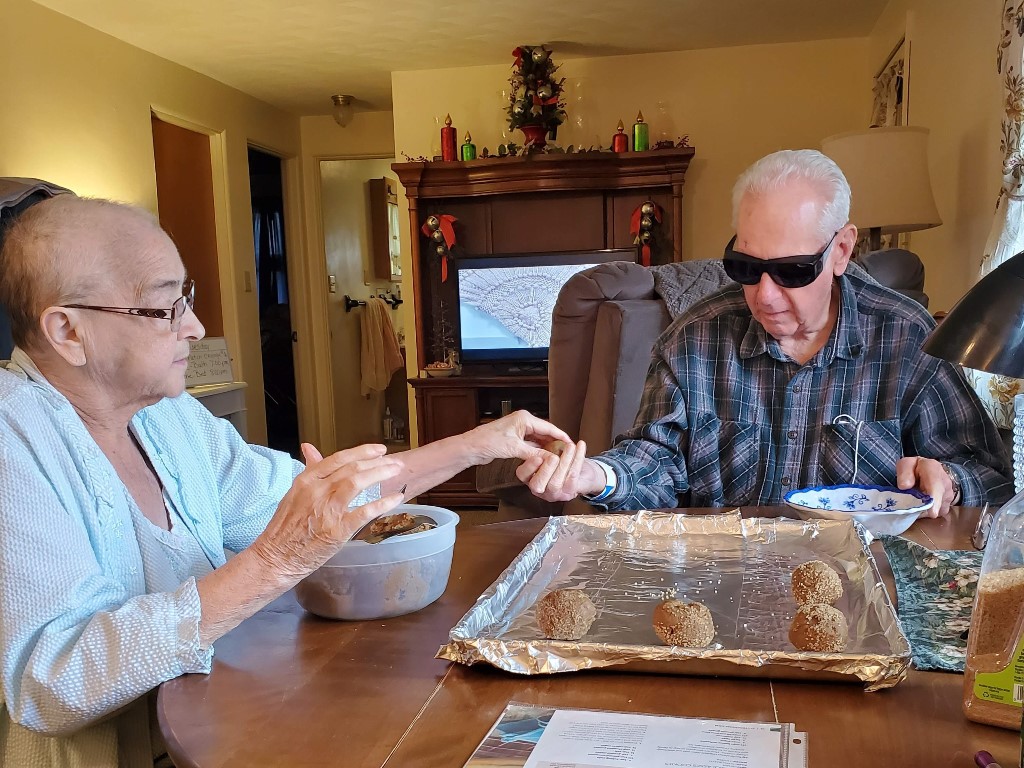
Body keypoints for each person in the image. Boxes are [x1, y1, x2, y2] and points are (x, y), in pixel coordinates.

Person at [0, 196, 571, 767]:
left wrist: (475, 445)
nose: (195, 327)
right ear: (67, 331)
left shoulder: (167, 417)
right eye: (165, 308)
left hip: (225, 721)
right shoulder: (12, 442)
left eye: (187, 298)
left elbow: (320, 499)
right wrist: (276, 562)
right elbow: (51, 682)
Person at [520, 149, 1013, 516]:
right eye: (746, 266)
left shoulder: (907, 339)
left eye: (794, 271)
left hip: (865, 590)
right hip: (722, 585)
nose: (766, 295)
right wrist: (596, 475)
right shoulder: (693, 339)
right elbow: (656, 461)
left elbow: (991, 477)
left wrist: (950, 480)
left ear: (841, 251)